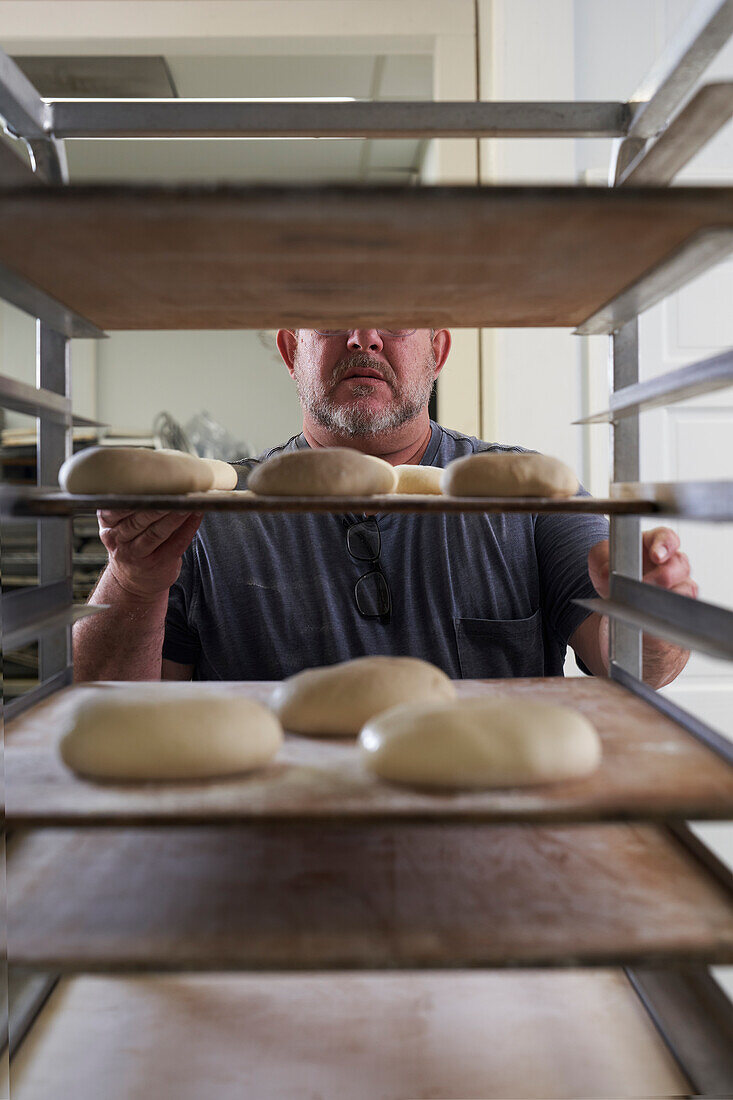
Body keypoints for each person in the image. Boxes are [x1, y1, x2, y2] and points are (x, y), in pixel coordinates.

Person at [73, 328, 696, 688]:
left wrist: (654, 609)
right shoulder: (209, 513)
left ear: (439, 351)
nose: (364, 335)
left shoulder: (527, 497)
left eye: (395, 318)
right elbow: (102, 703)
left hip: (490, 862)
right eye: (332, 315)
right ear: (292, 350)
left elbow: (636, 666)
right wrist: (133, 582)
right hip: (264, 863)